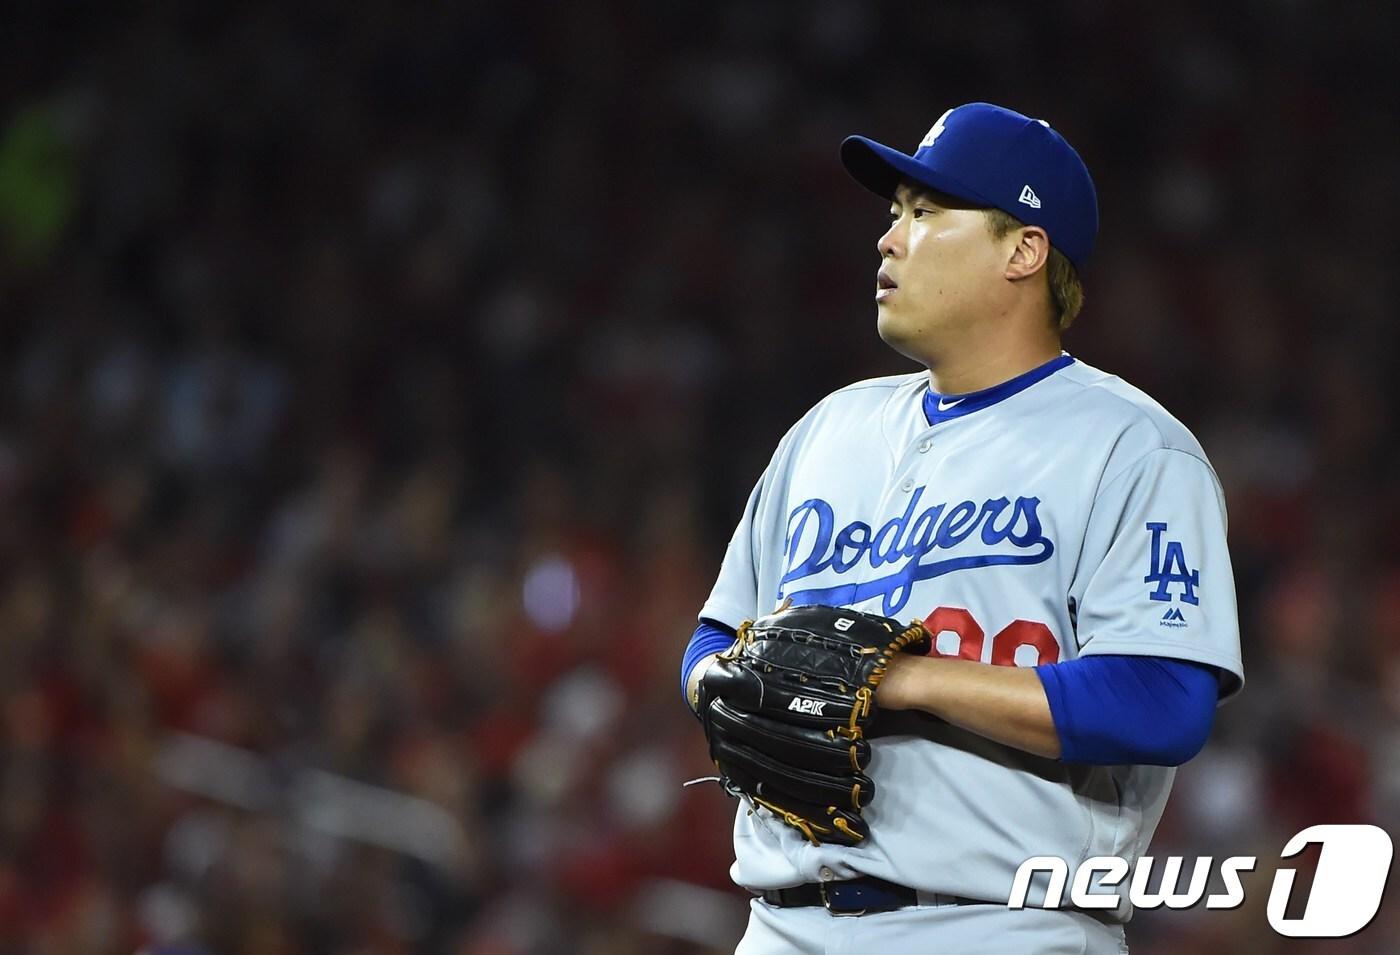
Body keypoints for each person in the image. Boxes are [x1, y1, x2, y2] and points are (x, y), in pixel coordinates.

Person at [680, 102, 1245, 954]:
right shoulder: (827, 430)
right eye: (893, 213)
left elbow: (1164, 700)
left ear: (1024, 251)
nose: (888, 240)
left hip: (998, 922)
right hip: (779, 921)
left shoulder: (1132, 448)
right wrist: (722, 685)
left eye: (925, 212)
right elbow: (715, 635)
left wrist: (905, 681)